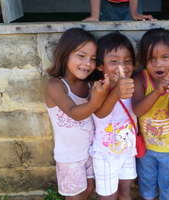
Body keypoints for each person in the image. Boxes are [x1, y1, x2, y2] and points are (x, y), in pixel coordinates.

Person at [45, 28, 110, 200]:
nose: (87, 63)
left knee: (88, 189)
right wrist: (95, 101)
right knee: (76, 196)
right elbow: (75, 113)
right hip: (69, 158)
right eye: (81, 56)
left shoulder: (90, 85)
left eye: (93, 59)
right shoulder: (55, 85)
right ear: (65, 54)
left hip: (90, 152)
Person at [133, 28, 169, 200]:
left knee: (168, 185)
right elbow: (137, 111)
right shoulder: (141, 79)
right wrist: (156, 92)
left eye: (165, 57)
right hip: (146, 149)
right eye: (151, 59)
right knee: (147, 182)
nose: (159, 64)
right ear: (144, 61)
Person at [89, 32, 136, 200]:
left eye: (127, 61)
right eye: (114, 61)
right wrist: (116, 92)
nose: (122, 66)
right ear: (101, 66)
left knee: (125, 191)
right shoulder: (99, 88)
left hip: (127, 151)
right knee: (108, 196)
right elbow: (100, 114)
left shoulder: (134, 86)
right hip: (105, 155)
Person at [83, 0, 154, 21]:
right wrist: (95, 16)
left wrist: (135, 14)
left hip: (132, 4)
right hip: (106, 3)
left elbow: (135, 15)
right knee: (108, 35)